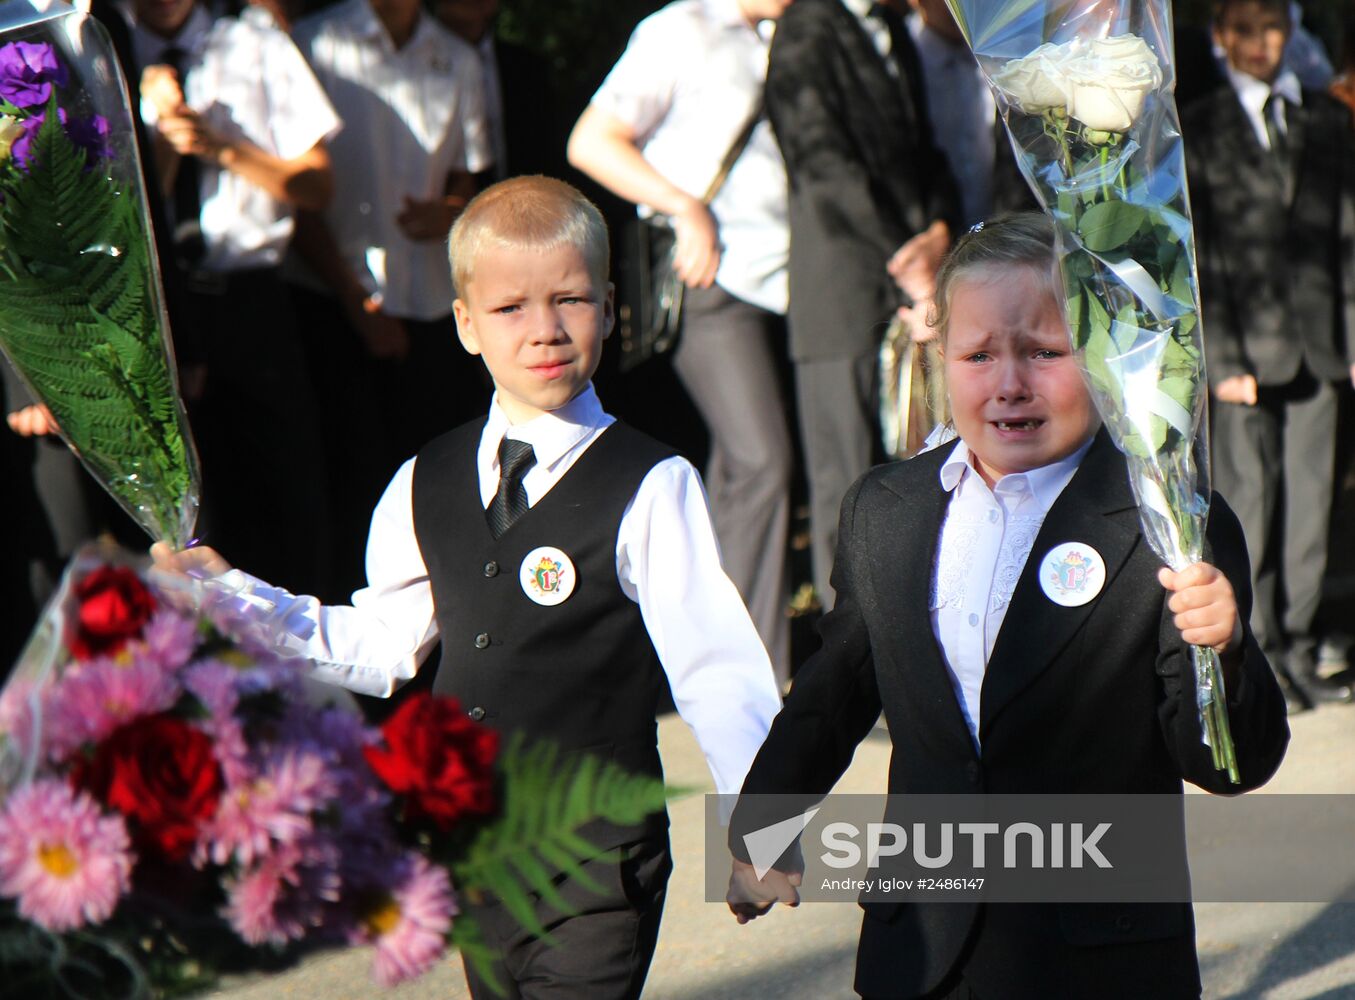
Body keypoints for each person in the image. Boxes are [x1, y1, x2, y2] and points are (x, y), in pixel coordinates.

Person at [153, 176, 782, 1000]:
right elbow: (383, 645)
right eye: (509, 307)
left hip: (596, 861)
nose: (544, 329)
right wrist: (231, 596)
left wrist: (765, 834)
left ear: (608, 307)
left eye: (570, 300)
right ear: (465, 324)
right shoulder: (425, 479)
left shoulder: (651, 481)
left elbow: (715, 666)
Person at [725, 215, 1290, 998]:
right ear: (939, 357)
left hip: (1101, 962)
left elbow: (1230, 766)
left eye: (1045, 352)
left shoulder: (1168, 524)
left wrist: (1222, 651)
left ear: (1100, 356)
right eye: (978, 355)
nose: (1009, 383)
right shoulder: (883, 511)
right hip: (922, 953)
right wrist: (764, 824)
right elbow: (833, 691)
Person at [566, 0, 795, 686]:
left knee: (738, 470)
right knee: (761, 461)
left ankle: (711, 656)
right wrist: (682, 205)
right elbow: (592, 141)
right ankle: (753, 673)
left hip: (783, 277)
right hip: (708, 275)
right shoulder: (679, 28)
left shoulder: (790, 31)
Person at [130, 0, 340, 596]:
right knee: (185, 510)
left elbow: (318, 184)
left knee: (286, 488)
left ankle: (292, 640)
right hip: (156, 303)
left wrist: (221, 148)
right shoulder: (105, 51)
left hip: (250, 298)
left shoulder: (255, 43)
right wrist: (163, 142)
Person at [288, 0, 493, 599]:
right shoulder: (315, 42)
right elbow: (297, 194)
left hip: (431, 305)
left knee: (437, 481)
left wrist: (449, 213)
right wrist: (354, 302)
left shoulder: (457, 57)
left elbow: (466, 175)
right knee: (353, 487)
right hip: (331, 299)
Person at [1183, 0, 1355, 711]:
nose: (1262, 44)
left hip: (1320, 347)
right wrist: (1222, 359)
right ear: (1222, 37)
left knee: (1311, 503)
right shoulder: (1199, 126)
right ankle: (1255, 653)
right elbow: (1202, 253)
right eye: (1246, 31)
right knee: (1249, 503)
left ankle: (1300, 646)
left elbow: (1346, 234)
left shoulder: (1326, 120)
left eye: (1274, 28)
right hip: (1244, 352)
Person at [763, 0, 958, 610]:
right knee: (845, 485)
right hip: (842, 294)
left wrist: (940, 232)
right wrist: (911, 264)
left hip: (914, 286)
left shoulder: (895, 27)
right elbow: (824, 168)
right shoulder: (805, 25)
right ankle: (847, 648)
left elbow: (923, 150)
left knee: (922, 474)